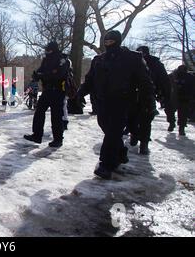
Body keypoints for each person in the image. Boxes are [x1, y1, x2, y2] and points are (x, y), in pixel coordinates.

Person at [78, 31, 155, 180]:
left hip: (123, 101)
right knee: (107, 128)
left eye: (111, 41)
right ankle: (120, 153)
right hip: (102, 102)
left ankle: (106, 165)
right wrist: (80, 93)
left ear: (117, 41)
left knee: (113, 130)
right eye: (105, 41)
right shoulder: (98, 60)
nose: (108, 44)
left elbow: (145, 81)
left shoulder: (132, 58)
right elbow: (89, 80)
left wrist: (148, 100)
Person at [24, 41, 71, 148]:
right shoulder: (46, 60)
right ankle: (37, 135)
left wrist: (44, 75)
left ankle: (58, 139)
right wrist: (36, 75)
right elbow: (41, 71)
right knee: (39, 111)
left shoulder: (62, 59)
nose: (47, 52)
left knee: (56, 116)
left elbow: (59, 74)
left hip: (58, 91)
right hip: (47, 90)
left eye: (49, 50)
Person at [127, 46, 172, 154]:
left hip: (147, 95)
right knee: (133, 118)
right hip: (133, 95)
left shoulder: (155, 64)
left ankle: (144, 143)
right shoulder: (131, 62)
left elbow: (164, 81)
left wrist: (165, 96)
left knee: (145, 120)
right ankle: (135, 135)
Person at [168, 65, 195, 136]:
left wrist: (191, 97)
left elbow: (193, 88)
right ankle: (172, 123)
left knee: (183, 114)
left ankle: (181, 128)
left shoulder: (190, 77)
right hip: (174, 97)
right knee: (170, 111)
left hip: (185, 98)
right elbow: (166, 84)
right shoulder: (172, 76)